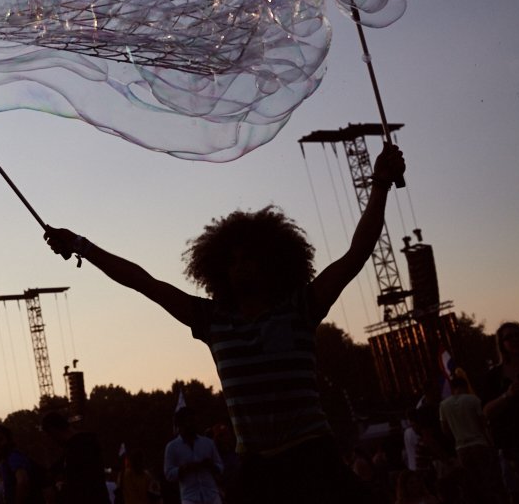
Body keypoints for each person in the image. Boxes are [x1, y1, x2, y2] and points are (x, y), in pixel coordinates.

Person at [44, 143, 406, 504]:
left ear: (270, 262)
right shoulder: (212, 319)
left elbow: (357, 252)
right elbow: (142, 281)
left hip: (311, 457)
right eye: (232, 261)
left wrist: (379, 185)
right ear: (219, 270)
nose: (240, 266)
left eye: (249, 258)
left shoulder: (301, 307)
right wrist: (81, 245)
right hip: (257, 468)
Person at [439, 371, 505, 502]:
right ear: (465, 386)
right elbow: (483, 423)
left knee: (471, 481)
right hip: (479, 443)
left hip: (461, 447)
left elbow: (445, 429)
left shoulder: (444, 405)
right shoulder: (473, 399)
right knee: (487, 479)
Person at [482, 321, 519, 504]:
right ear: (502, 344)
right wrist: (507, 396)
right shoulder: (494, 377)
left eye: (518, 334)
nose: (515, 339)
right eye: (509, 337)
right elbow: (486, 412)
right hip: (515, 447)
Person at [39, 411, 109, 503]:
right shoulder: (84, 444)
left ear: (53, 431)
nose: (52, 441)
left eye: (50, 436)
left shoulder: (76, 449)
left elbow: (79, 484)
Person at [163, 408, 223, 504]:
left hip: (212, 495)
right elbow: (168, 474)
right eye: (188, 422)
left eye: (193, 421)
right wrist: (184, 468)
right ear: (180, 425)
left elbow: (220, 467)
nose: (191, 424)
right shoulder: (172, 447)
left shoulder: (208, 443)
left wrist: (211, 465)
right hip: (190, 497)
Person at [0, 425, 41, 504]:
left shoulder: (14, 457)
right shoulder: (5, 462)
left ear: (9, 440)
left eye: (0, 440)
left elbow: (22, 481)